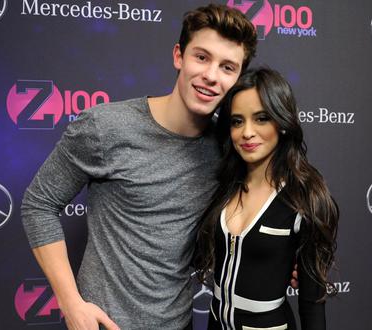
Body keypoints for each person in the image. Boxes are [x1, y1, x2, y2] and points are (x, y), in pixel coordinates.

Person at [20, 4, 257, 330]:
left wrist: (281, 263)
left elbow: (249, 220)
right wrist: (70, 302)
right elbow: (38, 204)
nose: (211, 76)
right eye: (201, 57)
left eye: (227, 67)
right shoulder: (105, 127)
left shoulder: (229, 148)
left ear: (237, 78)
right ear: (179, 56)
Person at [194, 68, 339, 330]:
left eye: (261, 118)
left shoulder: (303, 200)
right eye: (237, 121)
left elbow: (312, 304)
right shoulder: (222, 185)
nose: (247, 132)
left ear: (282, 123)